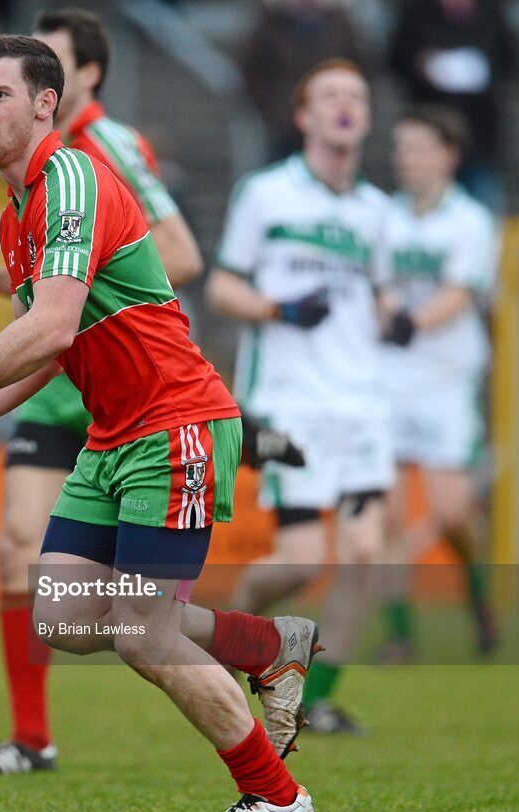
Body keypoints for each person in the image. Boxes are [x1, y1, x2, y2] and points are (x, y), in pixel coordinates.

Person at [0, 33, 320, 812]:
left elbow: (47, 329)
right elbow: (50, 348)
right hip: (114, 436)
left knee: (142, 632)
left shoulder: (71, 178)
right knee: (64, 616)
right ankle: (265, 644)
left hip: (174, 422)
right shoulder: (16, 214)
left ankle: (277, 798)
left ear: (45, 104)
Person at [0, 6, 197, 776]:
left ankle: (244, 655)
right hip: (59, 386)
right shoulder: (22, 194)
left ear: (77, 81)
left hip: (127, 386)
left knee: (134, 616)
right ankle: (30, 736)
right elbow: (49, 303)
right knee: (19, 551)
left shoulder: (101, 152)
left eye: (16, 86)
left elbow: (175, 256)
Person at [208, 59, 393, 736]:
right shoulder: (265, 194)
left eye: (356, 95)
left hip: (361, 405)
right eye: (331, 96)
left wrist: (397, 315)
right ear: (303, 116)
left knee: (367, 552)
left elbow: (378, 295)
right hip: (291, 402)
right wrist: (281, 311)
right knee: (300, 561)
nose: (345, 105)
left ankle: (316, 698)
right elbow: (223, 288)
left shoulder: (376, 211)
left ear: (366, 117)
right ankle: (227, 636)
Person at [377, 105, 499, 662]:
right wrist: (387, 314)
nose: (407, 159)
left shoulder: (470, 221)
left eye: (419, 148)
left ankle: (479, 601)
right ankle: (400, 635)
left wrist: (410, 321)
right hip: (390, 378)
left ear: (448, 155)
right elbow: (376, 283)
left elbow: (457, 294)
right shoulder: (383, 216)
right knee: (389, 515)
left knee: (452, 513)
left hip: (447, 379)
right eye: (402, 148)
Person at [388, 0, 518, 212]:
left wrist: (482, 69)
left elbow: (511, 61)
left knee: (482, 216)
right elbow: (395, 59)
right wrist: (423, 64)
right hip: (427, 139)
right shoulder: (415, 11)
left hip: (480, 139)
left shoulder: (491, 10)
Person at [238, 0, 370, 162]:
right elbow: (252, 73)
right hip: (284, 128)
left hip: (332, 125)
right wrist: (274, 112)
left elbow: (362, 69)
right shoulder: (270, 23)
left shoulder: (340, 23)